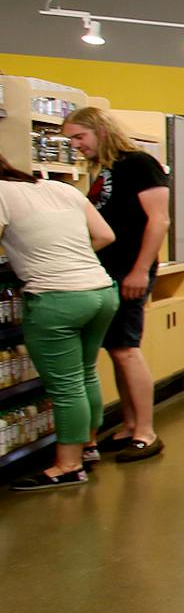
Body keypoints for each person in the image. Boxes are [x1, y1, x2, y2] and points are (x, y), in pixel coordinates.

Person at [0, 153, 119, 490]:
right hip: (100, 290)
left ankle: (68, 466)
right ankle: (88, 445)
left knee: (66, 386)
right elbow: (105, 235)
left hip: (57, 299)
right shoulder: (59, 188)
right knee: (85, 373)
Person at [61, 105, 170, 462]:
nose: (75, 145)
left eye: (80, 136)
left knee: (126, 348)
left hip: (129, 270)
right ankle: (128, 424)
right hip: (106, 272)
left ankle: (145, 431)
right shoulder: (104, 170)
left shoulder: (139, 164)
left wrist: (140, 270)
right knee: (115, 350)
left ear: (101, 131)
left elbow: (158, 221)